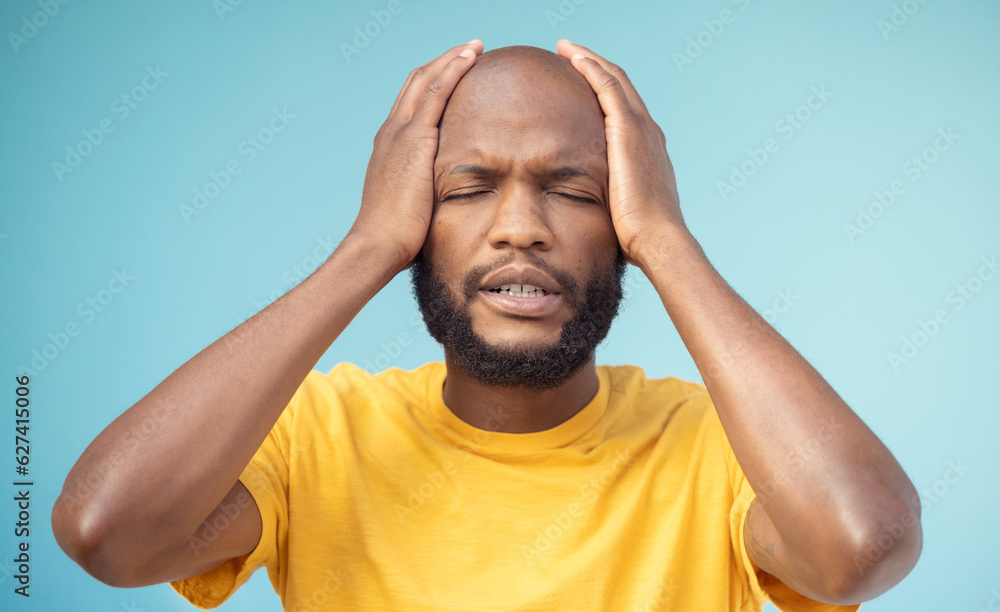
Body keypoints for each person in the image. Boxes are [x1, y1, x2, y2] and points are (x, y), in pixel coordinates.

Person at [51, 39, 922, 610]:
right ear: (416, 221)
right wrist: (364, 248)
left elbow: (863, 545)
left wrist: (667, 237)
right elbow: (106, 532)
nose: (519, 228)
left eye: (576, 192)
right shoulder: (320, 434)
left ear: (619, 222)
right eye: (466, 191)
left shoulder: (720, 445)